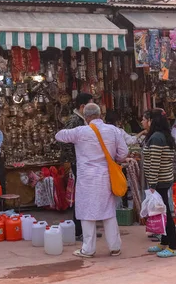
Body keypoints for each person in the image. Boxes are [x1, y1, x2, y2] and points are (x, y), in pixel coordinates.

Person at [55, 103, 128, 258]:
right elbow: (123, 153)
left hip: (87, 178)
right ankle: (115, 247)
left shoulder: (81, 131)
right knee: (109, 212)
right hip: (106, 176)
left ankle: (88, 249)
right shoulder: (113, 130)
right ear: (100, 114)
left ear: (86, 117)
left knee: (87, 212)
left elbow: (59, 135)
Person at [142, 109, 176, 258]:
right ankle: (164, 242)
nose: (143, 122)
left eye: (146, 119)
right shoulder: (164, 136)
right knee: (162, 212)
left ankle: (172, 247)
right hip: (163, 179)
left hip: (160, 181)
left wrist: (152, 184)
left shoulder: (157, 138)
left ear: (152, 121)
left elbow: (155, 162)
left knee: (166, 215)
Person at [59, 92, 93, 241]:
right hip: (77, 163)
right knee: (81, 196)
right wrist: (73, 158)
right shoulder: (74, 120)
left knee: (86, 195)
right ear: (82, 106)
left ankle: (85, 229)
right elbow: (63, 141)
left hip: (83, 162)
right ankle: (79, 230)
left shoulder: (82, 120)